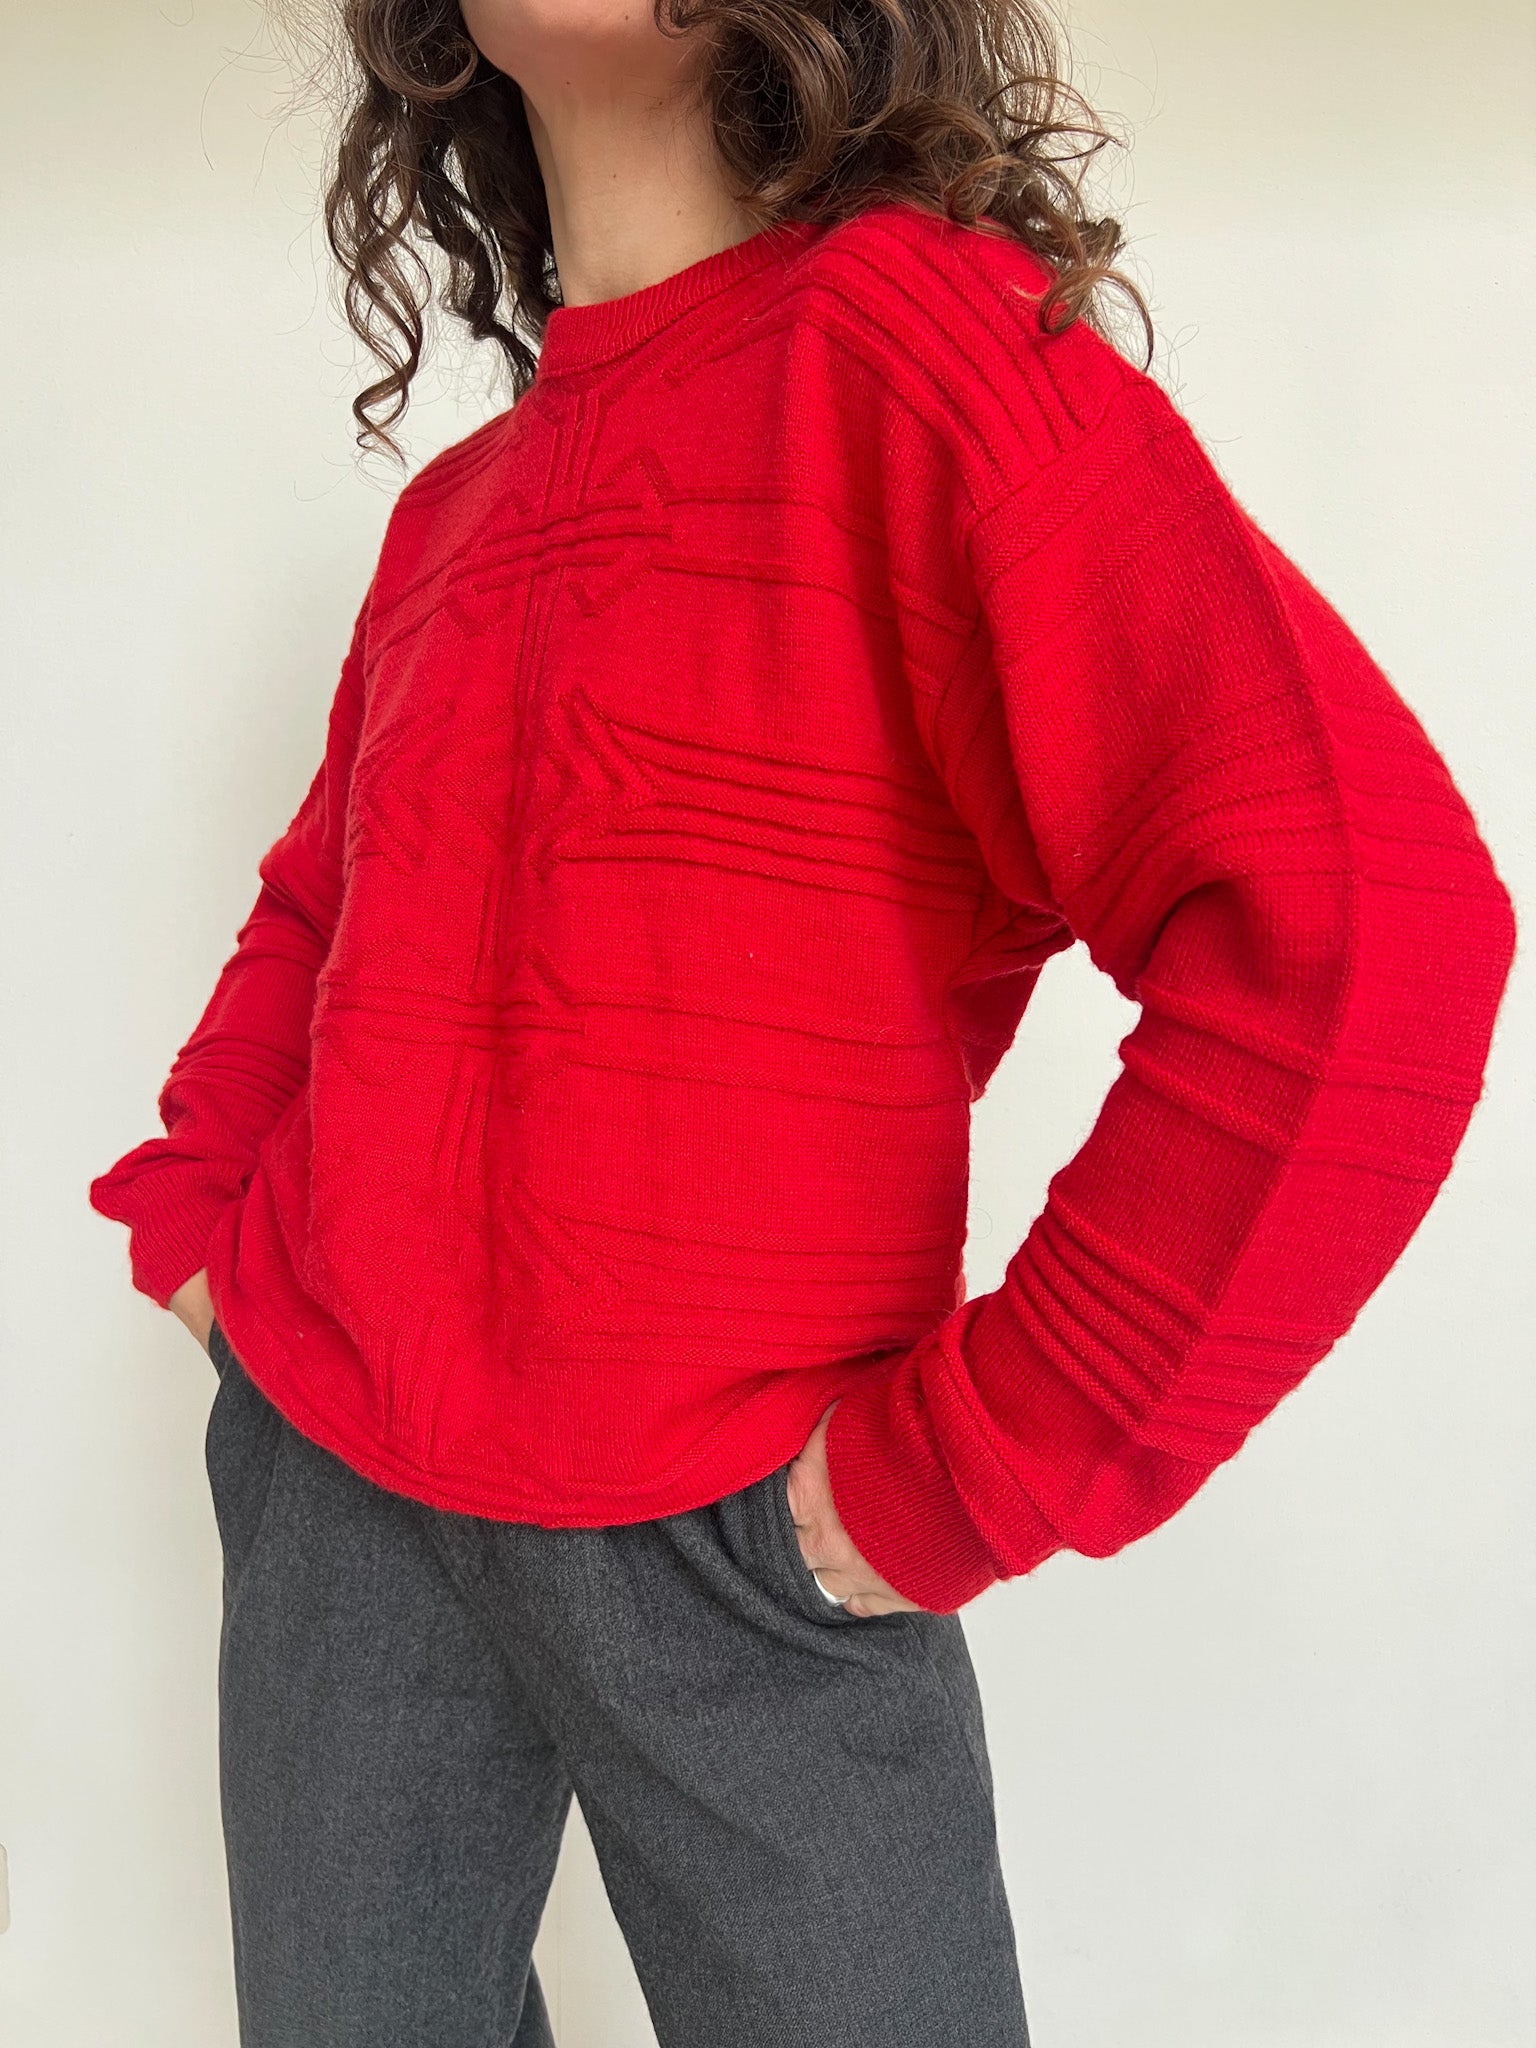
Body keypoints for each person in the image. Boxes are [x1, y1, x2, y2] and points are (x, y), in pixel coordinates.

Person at [89, 0, 1518, 2041]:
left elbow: (1364, 929)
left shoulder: (917, 348)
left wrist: (987, 1458)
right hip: (340, 1481)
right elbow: (325, 903)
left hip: (739, 1525)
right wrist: (202, 1214)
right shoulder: (456, 511)